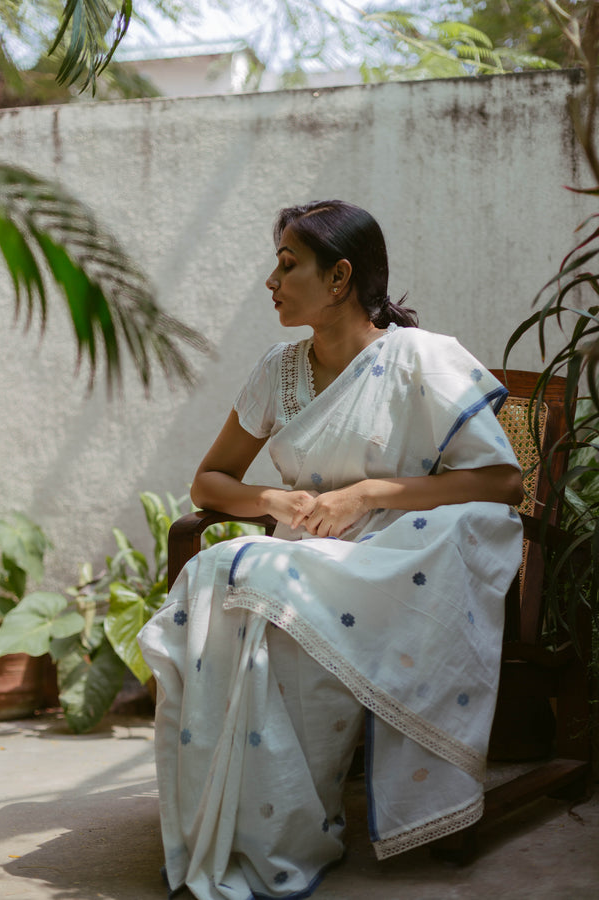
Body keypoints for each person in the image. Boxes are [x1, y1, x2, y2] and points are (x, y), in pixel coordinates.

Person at [138, 200, 524, 900]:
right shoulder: (278, 372)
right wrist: (273, 501)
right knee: (223, 574)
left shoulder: (419, 359)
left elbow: (502, 480)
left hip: (396, 565)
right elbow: (209, 479)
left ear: (340, 276)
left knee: (240, 570)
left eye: (289, 265)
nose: (271, 281)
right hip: (304, 560)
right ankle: (228, 821)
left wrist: (369, 493)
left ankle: (275, 830)